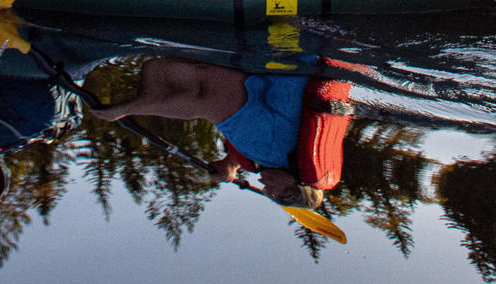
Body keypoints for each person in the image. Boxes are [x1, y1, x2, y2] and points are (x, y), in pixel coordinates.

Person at [92, 58, 346, 210]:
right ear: (295, 182)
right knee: (168, 74)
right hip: (279, 52)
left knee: (163, 71)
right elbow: (201, 99)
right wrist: (128, 110)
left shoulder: (276, 154)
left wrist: (229, 164)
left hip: (297, 60)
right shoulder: (268, 148)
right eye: (278, 193)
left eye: (272, 196)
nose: (266, 189)